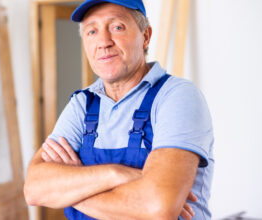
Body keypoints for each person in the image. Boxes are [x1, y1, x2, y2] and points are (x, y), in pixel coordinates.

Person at [24, 0, 214, 219]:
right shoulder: (82, 104)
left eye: (117, 27)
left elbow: (158, 207)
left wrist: (68, 191)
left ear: (146, 36)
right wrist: (116, 174)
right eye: (92, 31)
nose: (103, 42)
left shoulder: (176, 96)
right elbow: (34, 188)